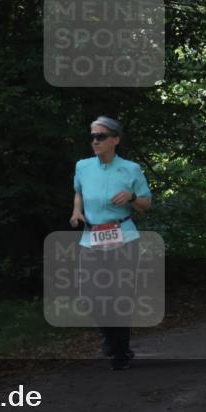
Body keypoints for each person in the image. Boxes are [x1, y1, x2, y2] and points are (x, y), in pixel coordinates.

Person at [69, 116, 152, 370]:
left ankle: (121, 351)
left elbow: (147, 204)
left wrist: (133, 196)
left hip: (123, 236)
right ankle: (110, 338)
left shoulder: (131, 169)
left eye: (101, 136)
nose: (95, 141)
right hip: (92, 237)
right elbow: (79, 191)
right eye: (93, 136)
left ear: (115, 140)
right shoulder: (83, 166)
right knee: (90, 295)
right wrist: (76, 211)